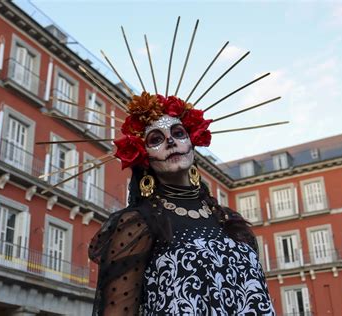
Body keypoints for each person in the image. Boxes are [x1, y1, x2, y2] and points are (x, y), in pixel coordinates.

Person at [88, 92, 275, 315]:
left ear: (192, 144)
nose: (170, 141)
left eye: (178, 133)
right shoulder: (138, 224)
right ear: (144, 156)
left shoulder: (229, 220)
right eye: (156, 139)